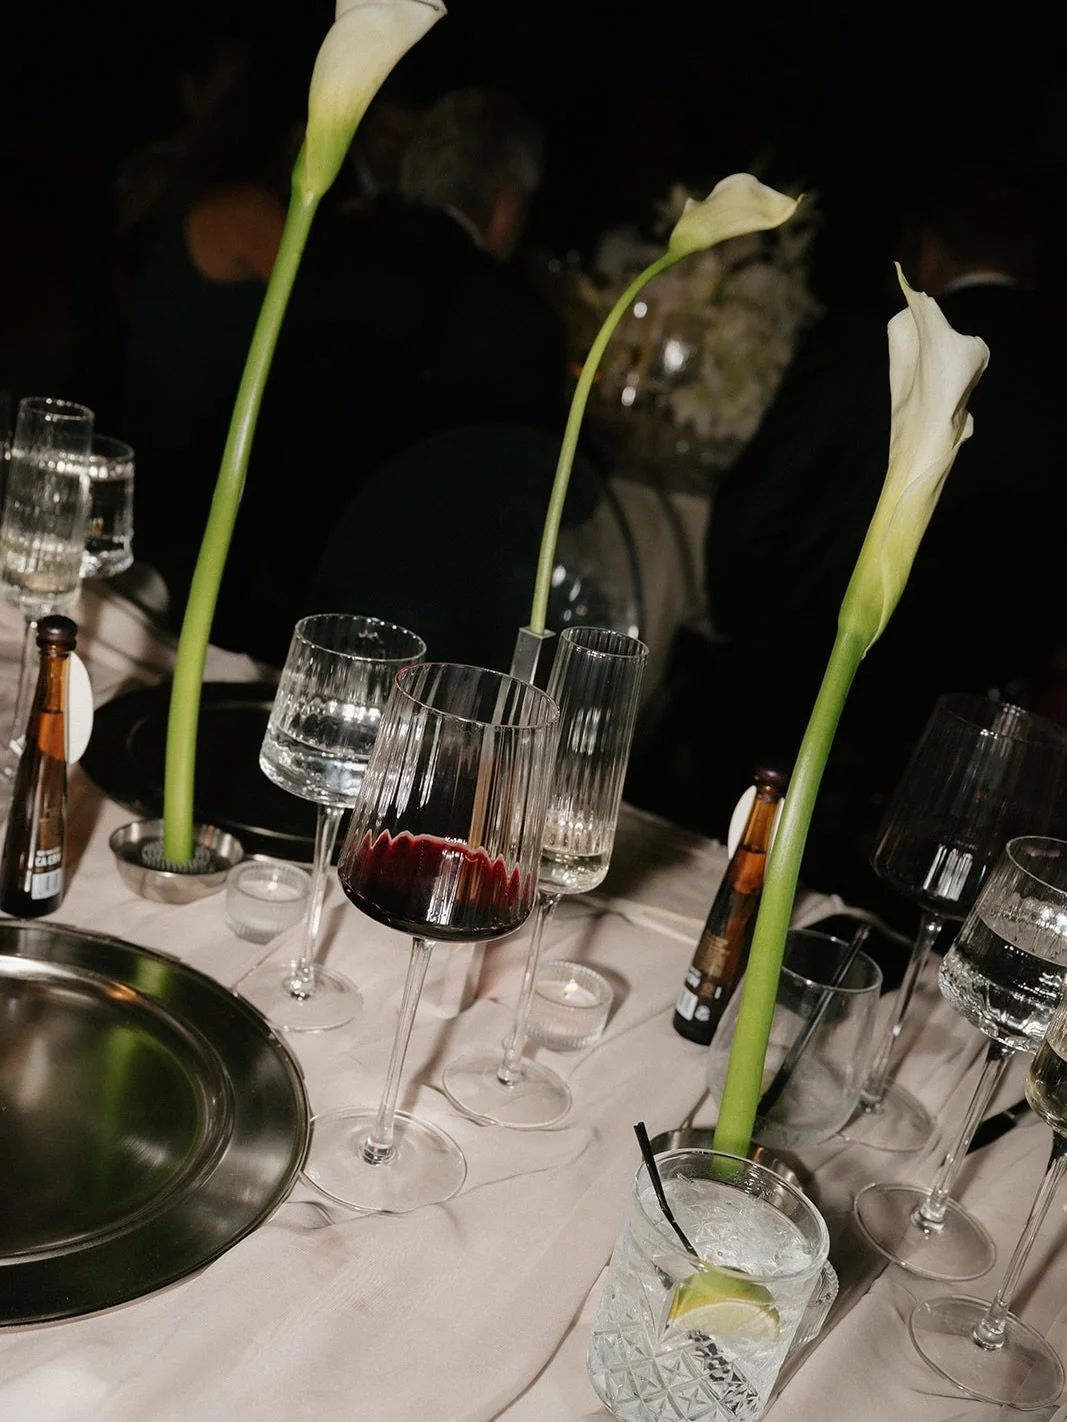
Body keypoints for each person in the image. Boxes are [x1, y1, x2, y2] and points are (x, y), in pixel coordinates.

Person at [626, 161, 1067, 929]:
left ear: (928, 251)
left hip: (798, 701)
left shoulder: (869, 341)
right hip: (959, 744)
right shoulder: (1056, 377)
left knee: (726, 883)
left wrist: (739, 628)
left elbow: (759, 505)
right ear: (1026, 266)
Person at [212, 86, 571, 665]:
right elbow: (533, 504)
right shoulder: (520, 319)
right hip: (410, 639)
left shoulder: (320, 246)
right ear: (506, 205)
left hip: (253, 586)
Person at [111, 33, 313, 624]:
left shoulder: (185, 186)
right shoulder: (253, 212)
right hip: (186, 477)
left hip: (154, 447)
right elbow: (321, 321)